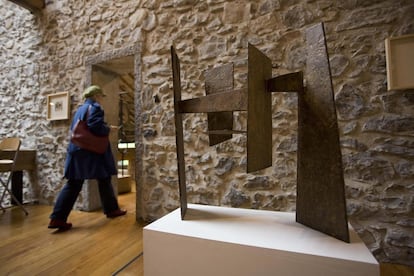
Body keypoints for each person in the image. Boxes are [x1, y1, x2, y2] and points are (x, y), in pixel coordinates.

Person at [48, 85, 126, 231]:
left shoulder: (80, 109)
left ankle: (57, 218)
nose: (102, 99)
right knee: (104, 179)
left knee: (74, 183)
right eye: (101, 96)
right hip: (91, 152)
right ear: (96, 96)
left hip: (78, 151)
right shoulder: (95, 107)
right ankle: (111, 210)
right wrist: (109, 129)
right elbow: (95, 126)